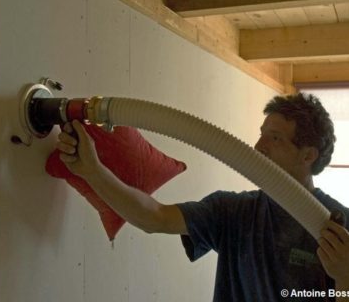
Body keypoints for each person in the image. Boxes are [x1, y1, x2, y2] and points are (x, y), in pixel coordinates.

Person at [57, 93, 349, 301]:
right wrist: (93, 171)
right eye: (261, 134)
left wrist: (345, 278)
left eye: (275, 138)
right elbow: (153, 217)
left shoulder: (338, 225)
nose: (257, 147)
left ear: (308, 155)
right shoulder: (234, 211)